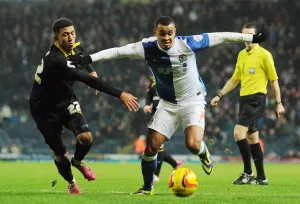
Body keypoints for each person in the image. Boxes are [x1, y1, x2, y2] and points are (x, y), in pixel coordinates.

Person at [69, 16, 269, 195]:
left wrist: (251, 39)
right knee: (151, 148)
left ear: (175, 32)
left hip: (193, 100)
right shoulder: (146, 47)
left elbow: (220, 37)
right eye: (162, 33)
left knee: (192, 144)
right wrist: (88, 59)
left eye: (170, 33)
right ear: (155, 32)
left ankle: (203, 152)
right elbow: (117, 52)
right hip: (167, 104)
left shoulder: (187, 44)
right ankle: (147, 188)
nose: (166, 38)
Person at [29, 18, 139, 194]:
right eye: (65, 35)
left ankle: (78, 161)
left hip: (66, 101)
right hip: (43, 110)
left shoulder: (74, 47)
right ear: (56, 39)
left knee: (86, 138)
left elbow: (82, 57)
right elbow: (87, 80)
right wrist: (120, 94)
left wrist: (91, 69)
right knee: (60, 153)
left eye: (72, 33)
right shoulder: (56, 60)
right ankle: (71, 183)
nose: (71, 38)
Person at [210, 23, 285, 185]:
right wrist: (220, 94)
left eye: (251, 34)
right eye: (245, 35)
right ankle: (262, 177)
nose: (248, 38)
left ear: (256, 35)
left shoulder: (265, 55)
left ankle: (247, 172)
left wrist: (278, 103)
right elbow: (235, 79)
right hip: (244, 100)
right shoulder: (241, 55)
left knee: (238, 133)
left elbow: (274, 81)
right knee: (252, 138)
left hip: (256, 99)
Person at [144, 76, 182, 182]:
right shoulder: (153, 79)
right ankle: (175, 164)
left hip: (166, 115)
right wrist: (147, 104)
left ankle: (156, 174)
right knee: (154, 145)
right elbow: (149, 93)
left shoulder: (171, 77)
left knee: (159, 145)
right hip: (154, 115)